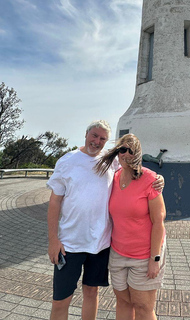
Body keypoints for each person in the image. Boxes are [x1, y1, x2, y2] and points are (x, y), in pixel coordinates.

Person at [46, 121, 164, 320]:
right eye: (94, 135)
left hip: (100, 245)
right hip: (70, 244)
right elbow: (55, 201)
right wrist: (53, 240)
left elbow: (135, 168)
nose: (97, 141)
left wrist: (159, 178)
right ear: (86, 134)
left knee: (92, 293)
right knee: (60, 300)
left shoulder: (111, 161)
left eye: (102, 138)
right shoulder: (67, 161)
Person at [95, 133, 166, 320]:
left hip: (144, 255)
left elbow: (159, 222)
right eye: (121, 150)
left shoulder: (150, 180)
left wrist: (155, 258)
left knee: (143, 306)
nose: (125, 154)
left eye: (130, 150)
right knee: (124, 301)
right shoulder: (114, 177)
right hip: (118, 253)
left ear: (138, 153)